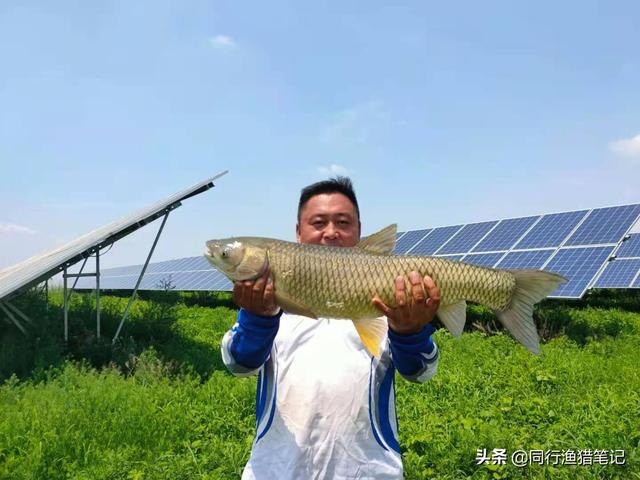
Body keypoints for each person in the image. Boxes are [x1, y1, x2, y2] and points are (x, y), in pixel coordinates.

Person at [220, 177, 441, 479]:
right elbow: (238, 363)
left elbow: (421, 372)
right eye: (318, 222)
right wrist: (259, 318)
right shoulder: (269, 305)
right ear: (298, 232)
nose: (331, 232)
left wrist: (409, 332)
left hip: (369, 471)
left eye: (343, 222)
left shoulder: (390, 304)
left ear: (359, 231)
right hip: (276, 470)